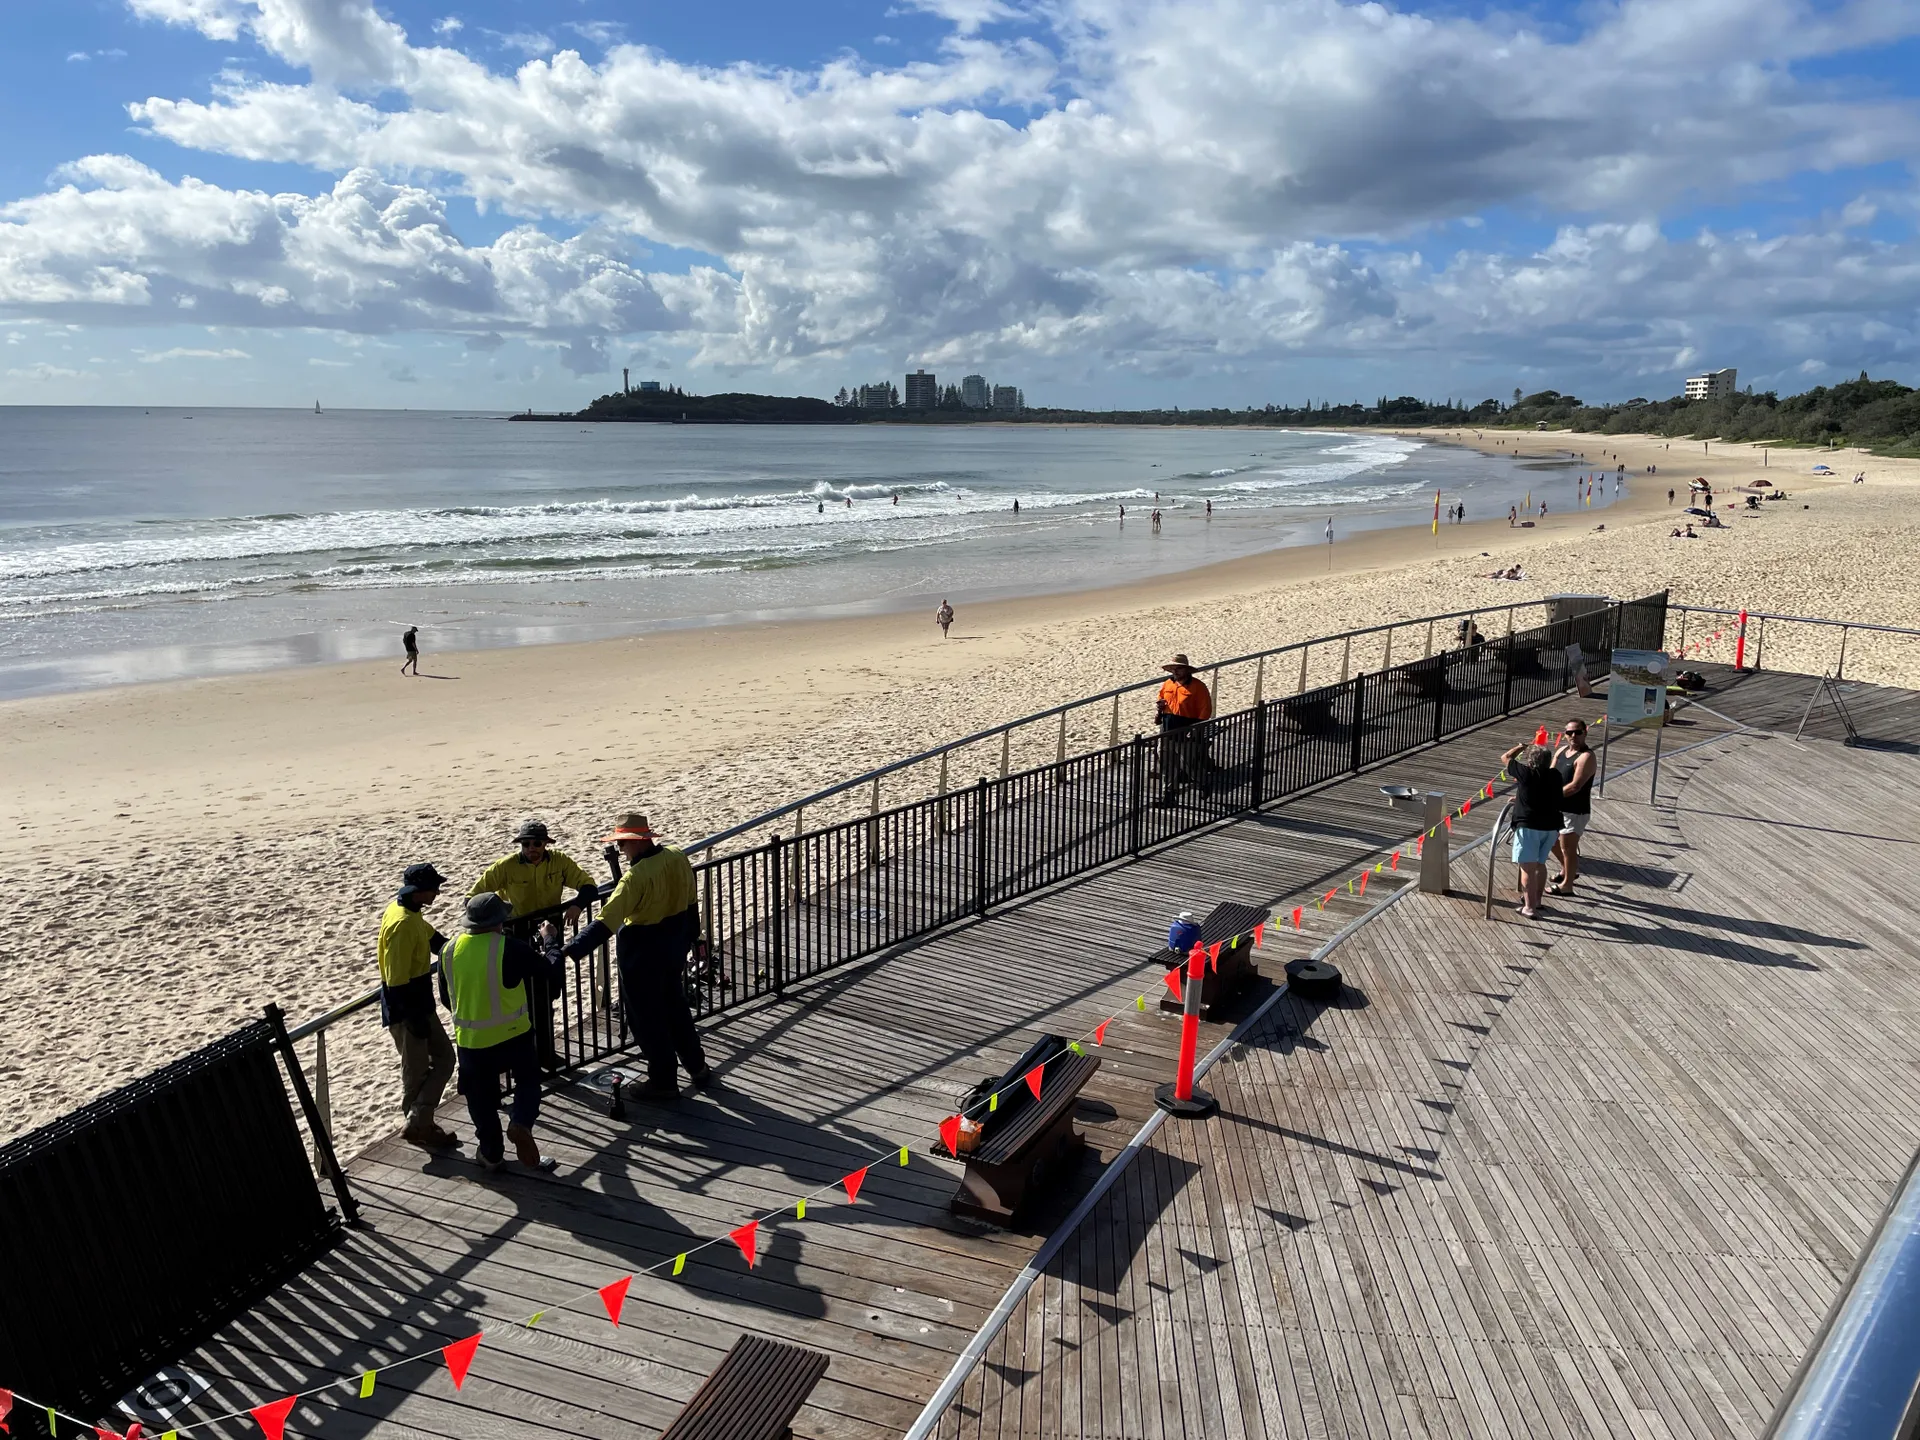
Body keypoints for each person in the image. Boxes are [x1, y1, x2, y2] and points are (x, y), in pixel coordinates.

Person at [564, 814, 711, 1100]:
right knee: (676, 1007)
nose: (620, 849)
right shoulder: (677, 856)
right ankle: (697, 1065)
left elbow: (606, 922)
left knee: (647, 1020)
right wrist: (692, 937)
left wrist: (570, 951)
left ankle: (663, 1081)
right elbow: (692, 901)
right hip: (674, 945)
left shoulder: (635, 878)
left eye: (622, 843)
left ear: (636, 843)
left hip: (642, 954)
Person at [441, 892, 559, 1172]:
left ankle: (491, 1153)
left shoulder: (448, 950)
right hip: (514, 1034)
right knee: (528, 1082)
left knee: (479, 1098)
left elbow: (447, 998)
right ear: (499, 921)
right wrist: (550, 939)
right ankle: (520, 1122)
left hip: (471, 1040)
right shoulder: (508, 947)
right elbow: (549, 969)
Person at [468, 820, 598, 1072]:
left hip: (549, 934)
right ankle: (524, 1060)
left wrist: (578, 904)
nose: (531, 849)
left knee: (549, 993)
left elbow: (589, 886)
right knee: (519, 999)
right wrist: (498, 921)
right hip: (517, 937)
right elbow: (472, 898)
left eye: (536, 843)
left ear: (546, 844)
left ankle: (546, 1054)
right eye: (526, 844)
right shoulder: (504, 866)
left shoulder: (560, 861)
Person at [378, 862, 457, 1150]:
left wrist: (461, 948)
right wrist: (413, 1018)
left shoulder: (409, 912)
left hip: (419, 1004)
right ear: (418, 891)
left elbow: (436, 940)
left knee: (445, 1059)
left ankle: (419, 1120)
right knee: (416, 1071)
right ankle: (419, 1124)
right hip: (407, 1009)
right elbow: (396, 980)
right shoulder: (401, 924)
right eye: (433, 888)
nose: (437, 892)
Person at [1499, 740, 1563, 918]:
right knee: (1540, 865)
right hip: (1551, 826)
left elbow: (1506, 757)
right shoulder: (1555, 775)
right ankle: (1537, 901)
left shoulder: (1526, 773)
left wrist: (1520, 747)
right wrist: (1519, 797)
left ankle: (1529, 907)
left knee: (1527, 867)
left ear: (1530, 762)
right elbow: (1540, 793)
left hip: (1529, 826)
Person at [1154, 654, 1212, 803]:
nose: (1175, 671)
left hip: (1186, 731)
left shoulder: (1198, 687)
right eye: (1173, 669)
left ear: (1187, 670)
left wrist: (1194, 730)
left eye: (1178, 668)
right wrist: (1160, 708)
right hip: (1166, 729)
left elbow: (1205, 711)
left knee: (1188, 764)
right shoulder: (1168, 683)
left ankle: (1204, 783)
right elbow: (1161, 699)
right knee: (1166, 763)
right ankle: (1168, 795)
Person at [1550, 720, 1596, 895]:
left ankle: (1567, 885)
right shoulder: (1562, 751)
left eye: (1577, 732)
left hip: (1575, 809)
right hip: (1557, 807)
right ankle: (1566, 871)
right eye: (1569, 733)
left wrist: (1550, 796)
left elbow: (1575, 786)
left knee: (1568, 848)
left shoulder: (1586, 756)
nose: (1573, 736)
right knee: (1551, 840)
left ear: (1585, 733)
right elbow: (1550, 775)